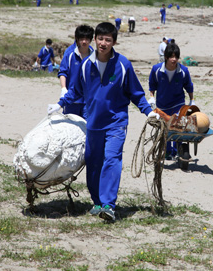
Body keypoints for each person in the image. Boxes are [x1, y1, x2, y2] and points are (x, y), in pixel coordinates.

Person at [47, 22, 159, 222]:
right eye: (100, 38)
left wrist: (148, 112)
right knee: (93, 161)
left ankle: (108, 205)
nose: (104, 43)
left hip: (116, 122)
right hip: (93, 123)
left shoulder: (123, 65)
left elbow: (136, 93)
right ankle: (97, 201)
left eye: (108, 39)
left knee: (111, 158)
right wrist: (60, 103)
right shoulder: (85, 65)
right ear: (95, 39)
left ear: (114, 42)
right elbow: (76, 91)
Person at [148, 42, 194, 159]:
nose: (174, 60)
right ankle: (167, 151)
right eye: (171, 57)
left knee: (178, 127)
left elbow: (189, 86)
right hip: (162, 104)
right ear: (166, 57)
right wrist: (151, 97)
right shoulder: (156, 70)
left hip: (178, 103)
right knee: (165, 129)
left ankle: (178, 150)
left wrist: (192, 100)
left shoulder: (183, 71)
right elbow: (152, 85)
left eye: (176, 57)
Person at [57, 25, 94, 117]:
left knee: (87, 127)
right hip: (72, 99)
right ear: (77, 39)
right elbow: (63, 72)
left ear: (91, 39)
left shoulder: (94, 55)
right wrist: (64, 88)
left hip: (88, 100)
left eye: (87, 39)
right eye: (81, 39)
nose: (84, 41)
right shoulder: (70, 53)